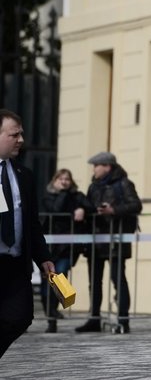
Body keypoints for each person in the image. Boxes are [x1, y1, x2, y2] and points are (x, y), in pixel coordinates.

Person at [0, 109, 55, 359]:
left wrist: (43, 257)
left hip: (14, 264)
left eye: (21, 134)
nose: (21, 139)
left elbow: (32, 222)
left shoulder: (24, 175)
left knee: (20, 317)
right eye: (15, 134)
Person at [75, 151, 142, 335]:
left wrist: (114, 210)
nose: (94, 169)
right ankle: (94, 318)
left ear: (107, 167)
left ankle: (123, 319)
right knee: (94, 281)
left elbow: (136, 205)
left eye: (97, 165)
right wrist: (82, 208)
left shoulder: (124, 184)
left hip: (116, 238)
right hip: (96, 239)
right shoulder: (94, 186)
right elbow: (88, 205)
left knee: (118, 279)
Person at [39, 168, 88, 333]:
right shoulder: (48, 197)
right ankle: (51, 319)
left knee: (60, 276)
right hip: (49, 246)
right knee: (47, 283)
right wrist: (62, 193)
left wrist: (83, 209)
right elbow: (56, 210)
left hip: (68, 245)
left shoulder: (76, 196)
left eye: (67, 179)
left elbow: (91, 206)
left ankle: (53, 313)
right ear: (55, 181)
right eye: (61, 179)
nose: (64, 182)